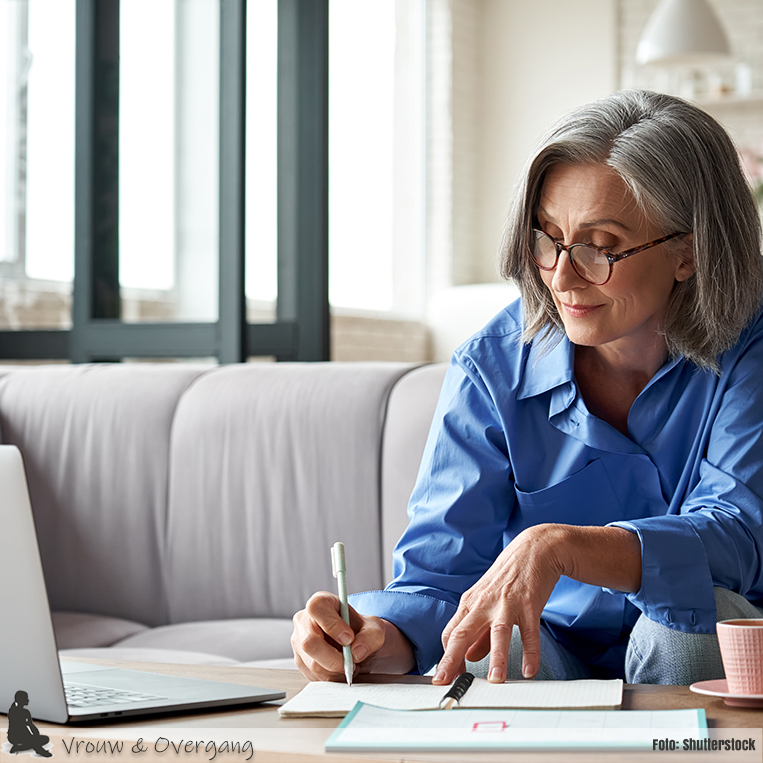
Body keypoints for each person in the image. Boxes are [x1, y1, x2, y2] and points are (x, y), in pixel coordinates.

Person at [291, 89, 763, 686]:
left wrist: (562, 545)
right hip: (553, 646)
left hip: (708, 644)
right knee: (494, 644)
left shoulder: (752, 343)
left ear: (687, 254)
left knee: (692, 619)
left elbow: (737, 535)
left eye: (600, 247)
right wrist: (373, 639)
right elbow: (440, 577)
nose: (562, 276)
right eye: (547, 239)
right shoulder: (491, 366)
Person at [7, 690, 52, 757]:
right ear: (21, 700)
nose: (28, 700)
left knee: (45, 739)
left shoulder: (13, 710)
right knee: (34, 741)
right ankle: (39, 750)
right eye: (26, 698)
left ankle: (19, 747)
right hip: (16, 736)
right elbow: (23, 729)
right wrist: (34, 737)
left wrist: (34, 734)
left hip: (13, 737)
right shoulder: (22, 712)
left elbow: (31, 726)